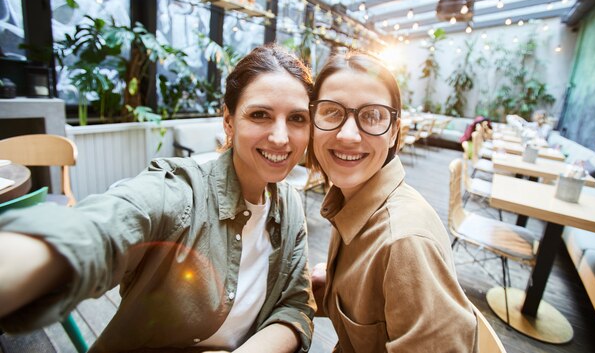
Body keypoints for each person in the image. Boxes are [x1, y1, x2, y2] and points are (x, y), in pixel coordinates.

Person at [0, 44, 315, 353]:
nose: (280, 137)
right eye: (260, 114)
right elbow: (103, 228)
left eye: (297, 119)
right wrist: (33, 256)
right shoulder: (182, 192)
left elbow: (295, 305)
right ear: (229, 121)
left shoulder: (289, 206)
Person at [308, 52, 477, 352]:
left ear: (394, 132)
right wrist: (333, 285)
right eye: (331, 112)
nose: (348, 135)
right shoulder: (351, 200)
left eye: (372, 116)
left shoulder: (404, 243)